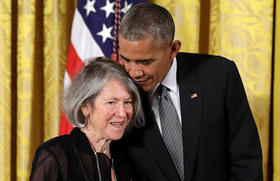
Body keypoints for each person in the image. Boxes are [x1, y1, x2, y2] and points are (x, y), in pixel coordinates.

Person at [117, 2, 263, 181]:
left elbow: (246, 160)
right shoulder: (118, 94)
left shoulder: (219, 75)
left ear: (173, 49)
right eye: (126, 59)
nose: (134, 72)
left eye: (145, 62)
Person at [29, 57, 145, 181]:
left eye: (127, 102)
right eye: (111, 102)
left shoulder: (127, 156)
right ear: (85, 107)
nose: (123, 113)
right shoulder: (55, 155)